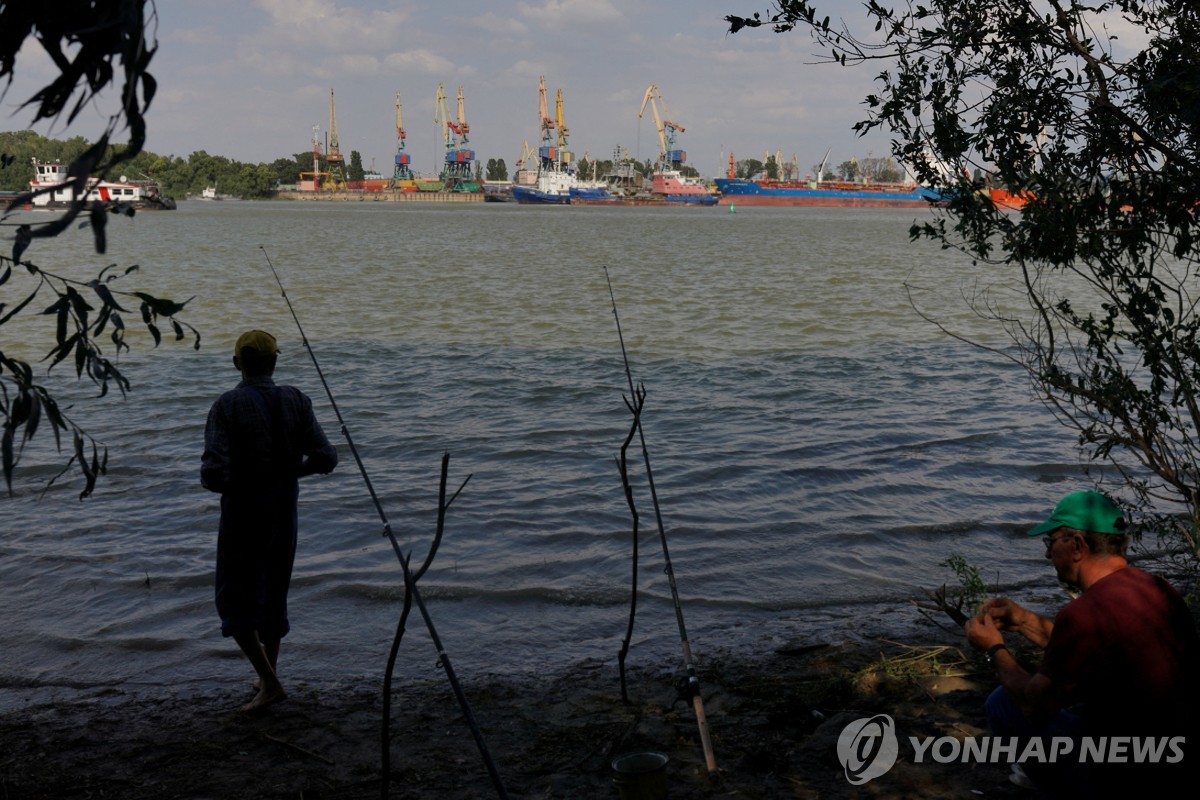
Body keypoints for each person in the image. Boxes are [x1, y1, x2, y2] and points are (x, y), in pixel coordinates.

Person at [966, 490, 1200, 794]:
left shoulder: (1083, 614)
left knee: (1002, 702)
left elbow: (1034, 707)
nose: (1047, 555)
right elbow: (1090, 645)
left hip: (1131, 774)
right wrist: (1023, 621)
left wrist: (994, 648)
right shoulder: (1156, 588)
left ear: (1077, 545)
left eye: (1050, 543)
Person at [201, 330, 338, 712]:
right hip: (285, 509)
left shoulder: (226, 405)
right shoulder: (297, 399)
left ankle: (271, 683)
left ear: (236, 364)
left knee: (233, 598)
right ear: (275, 362)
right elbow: (326, 457)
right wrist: (292, 472)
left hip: (244, 513)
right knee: (273, 593)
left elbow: (212, 473)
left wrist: (246, 479)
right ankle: (267, 676)